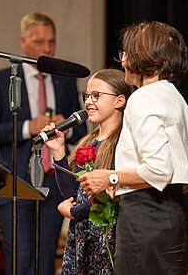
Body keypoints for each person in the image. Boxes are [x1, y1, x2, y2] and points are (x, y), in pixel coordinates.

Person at [79, 21, 188, 275]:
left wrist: (110, 177)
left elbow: (159, 169)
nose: (122, 61)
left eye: (125, 53)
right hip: (172, 216)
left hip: (146, 220)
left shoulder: (144, 97)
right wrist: (119, 187)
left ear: (144, 57)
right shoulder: (175, 98)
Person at [0, 12, 87, 275]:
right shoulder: (1, 80)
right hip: (15, 180)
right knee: (21, 258)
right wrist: (27, 128)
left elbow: (83, 132)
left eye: (51, 42)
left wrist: (66, 129)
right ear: (23, 42)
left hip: (55, 182)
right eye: (39, 42)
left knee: (46, 256)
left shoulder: (65, 80)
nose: (46, 49)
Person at [41, 69, 133, 274]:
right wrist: (58, 151)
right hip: (84, 236)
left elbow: (108, 198)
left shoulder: (123, 144)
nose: (89, 101)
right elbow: (74, 194)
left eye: (97, 95)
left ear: (119, 101)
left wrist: (74, 213)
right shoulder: (88, 142)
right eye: (87, 96)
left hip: (107, 237)